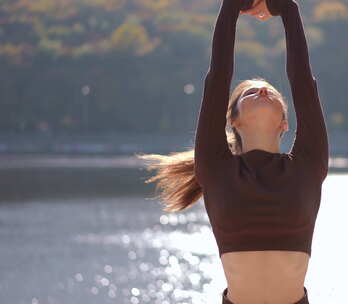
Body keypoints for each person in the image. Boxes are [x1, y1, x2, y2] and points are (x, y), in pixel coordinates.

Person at [137, 0, 328, 302]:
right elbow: (218, 77)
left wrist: (288, 9)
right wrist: (231, 7)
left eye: (271, 92)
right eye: (251, 92)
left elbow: (303, 81)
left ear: (284, 122)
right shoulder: (215, 168)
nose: (263, 91)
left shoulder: (309, 164)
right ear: (233, 119)